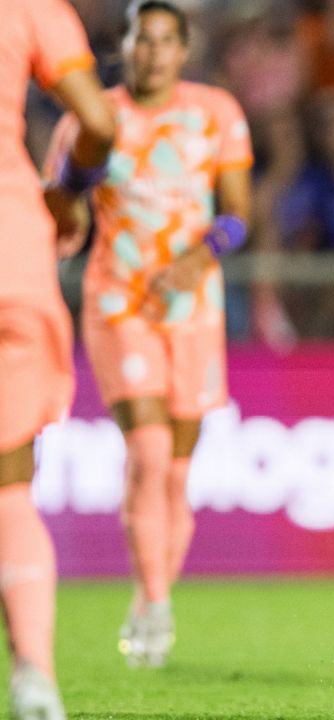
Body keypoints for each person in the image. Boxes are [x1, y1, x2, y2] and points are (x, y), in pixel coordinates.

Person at [43, 0, 253, 668]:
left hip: (193, 305)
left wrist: (197, 258)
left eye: (166, 40)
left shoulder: (216, 112)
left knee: (178, 472)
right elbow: (61, 200)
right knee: (150, 450)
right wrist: (66, 213)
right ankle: (156, 602)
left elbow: (239, 216)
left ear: (183, 50)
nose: (153, 52)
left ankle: (150, 596)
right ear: (125, 45)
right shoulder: (92, 117)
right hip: (118, 300)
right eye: (143, 38)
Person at [2, 1, 116, 717]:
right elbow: (98, 124)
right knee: (9, 489)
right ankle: (35, 675)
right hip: (12, 254)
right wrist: (69, 197)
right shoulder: (33, 8)